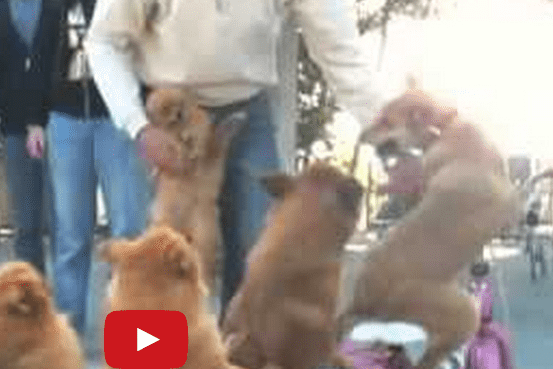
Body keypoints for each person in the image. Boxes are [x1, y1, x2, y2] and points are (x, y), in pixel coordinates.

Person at [86, 0, 388, 311]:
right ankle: (148, 358)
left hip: (246, 112)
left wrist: (390, 140)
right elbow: (104, 40)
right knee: (153, 260)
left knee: (256, 256)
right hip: (165, 118)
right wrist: (139, 128)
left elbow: (340, 52)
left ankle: (236, 357)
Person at [34, 0, 151, 338]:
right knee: (71, 234)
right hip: (67, 122)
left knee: (130, 231)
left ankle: (137, 340)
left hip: (120, 121)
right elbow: (40, 60)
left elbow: (149, 53)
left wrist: (149, 116)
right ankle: (68, 338)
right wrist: (34, 120)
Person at [0, 0, 63, 276]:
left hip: (60, 124)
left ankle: (67, 306)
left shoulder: (58, 7)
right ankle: (34, 302)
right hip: (14, 129)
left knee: (64, 223)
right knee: (25, 225)